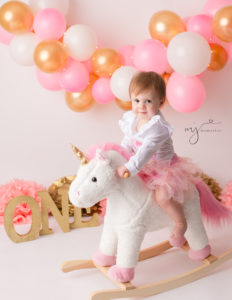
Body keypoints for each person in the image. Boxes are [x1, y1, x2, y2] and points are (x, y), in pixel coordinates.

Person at [117, 71, 201, 247]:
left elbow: (146, 151)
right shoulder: (133, 119)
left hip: (164, 168)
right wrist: (121, 157)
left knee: (162, 196)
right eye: (137, 100)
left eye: (148, 101)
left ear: (160, 102)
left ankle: (180, 222)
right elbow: (128, 141)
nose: (141, 106)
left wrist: (130, 167)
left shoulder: (158, 127)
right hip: (144, 167)